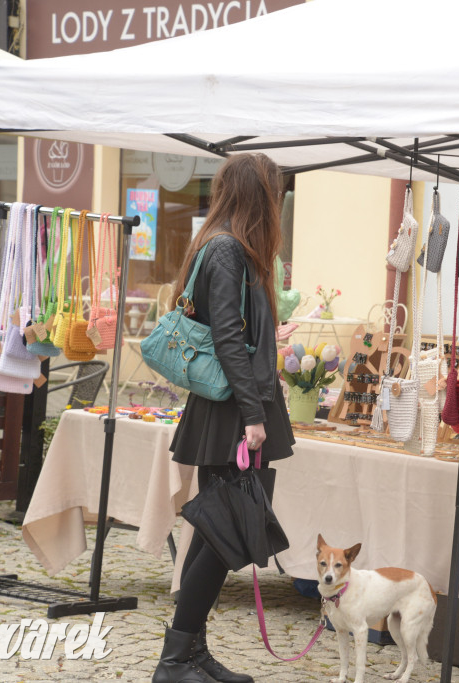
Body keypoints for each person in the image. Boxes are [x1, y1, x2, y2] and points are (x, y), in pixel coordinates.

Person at [153, 154, 297, 683]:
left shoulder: (235, 249)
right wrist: (254, 415)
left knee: (217, 534)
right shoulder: (226, 249)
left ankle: (188, 653)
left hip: (238, 407)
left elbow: (238, 334)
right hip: (234, 413)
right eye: (274, 190)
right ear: (260, 194)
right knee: (225, 533)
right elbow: (227, 338)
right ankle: (176, 660)